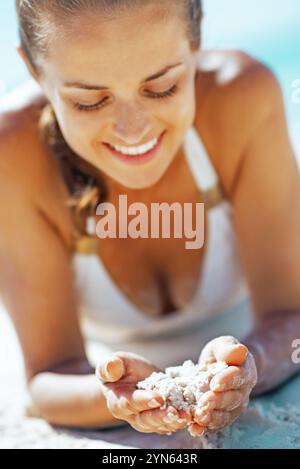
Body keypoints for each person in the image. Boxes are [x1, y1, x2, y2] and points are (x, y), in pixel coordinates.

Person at [0, 0, 300, 437]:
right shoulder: (14, 154)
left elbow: (292, 319)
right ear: (34, 70)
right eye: (89, 101)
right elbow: (47, 377)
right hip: (112, 370)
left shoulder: (243, 97)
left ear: (195, 44)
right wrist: (116, 397)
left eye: (162, 87)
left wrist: (248, 362)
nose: (133, 129)